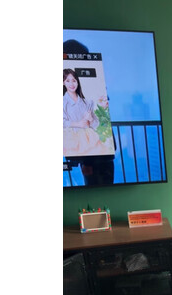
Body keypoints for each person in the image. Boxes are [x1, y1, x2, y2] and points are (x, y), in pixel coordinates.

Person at [63, 39, 116, 186]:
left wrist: (86, 162)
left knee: (98, 189)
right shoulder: (83, 82)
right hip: (98, 152)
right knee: (102, 188)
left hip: (95, 153)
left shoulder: (83, 84)